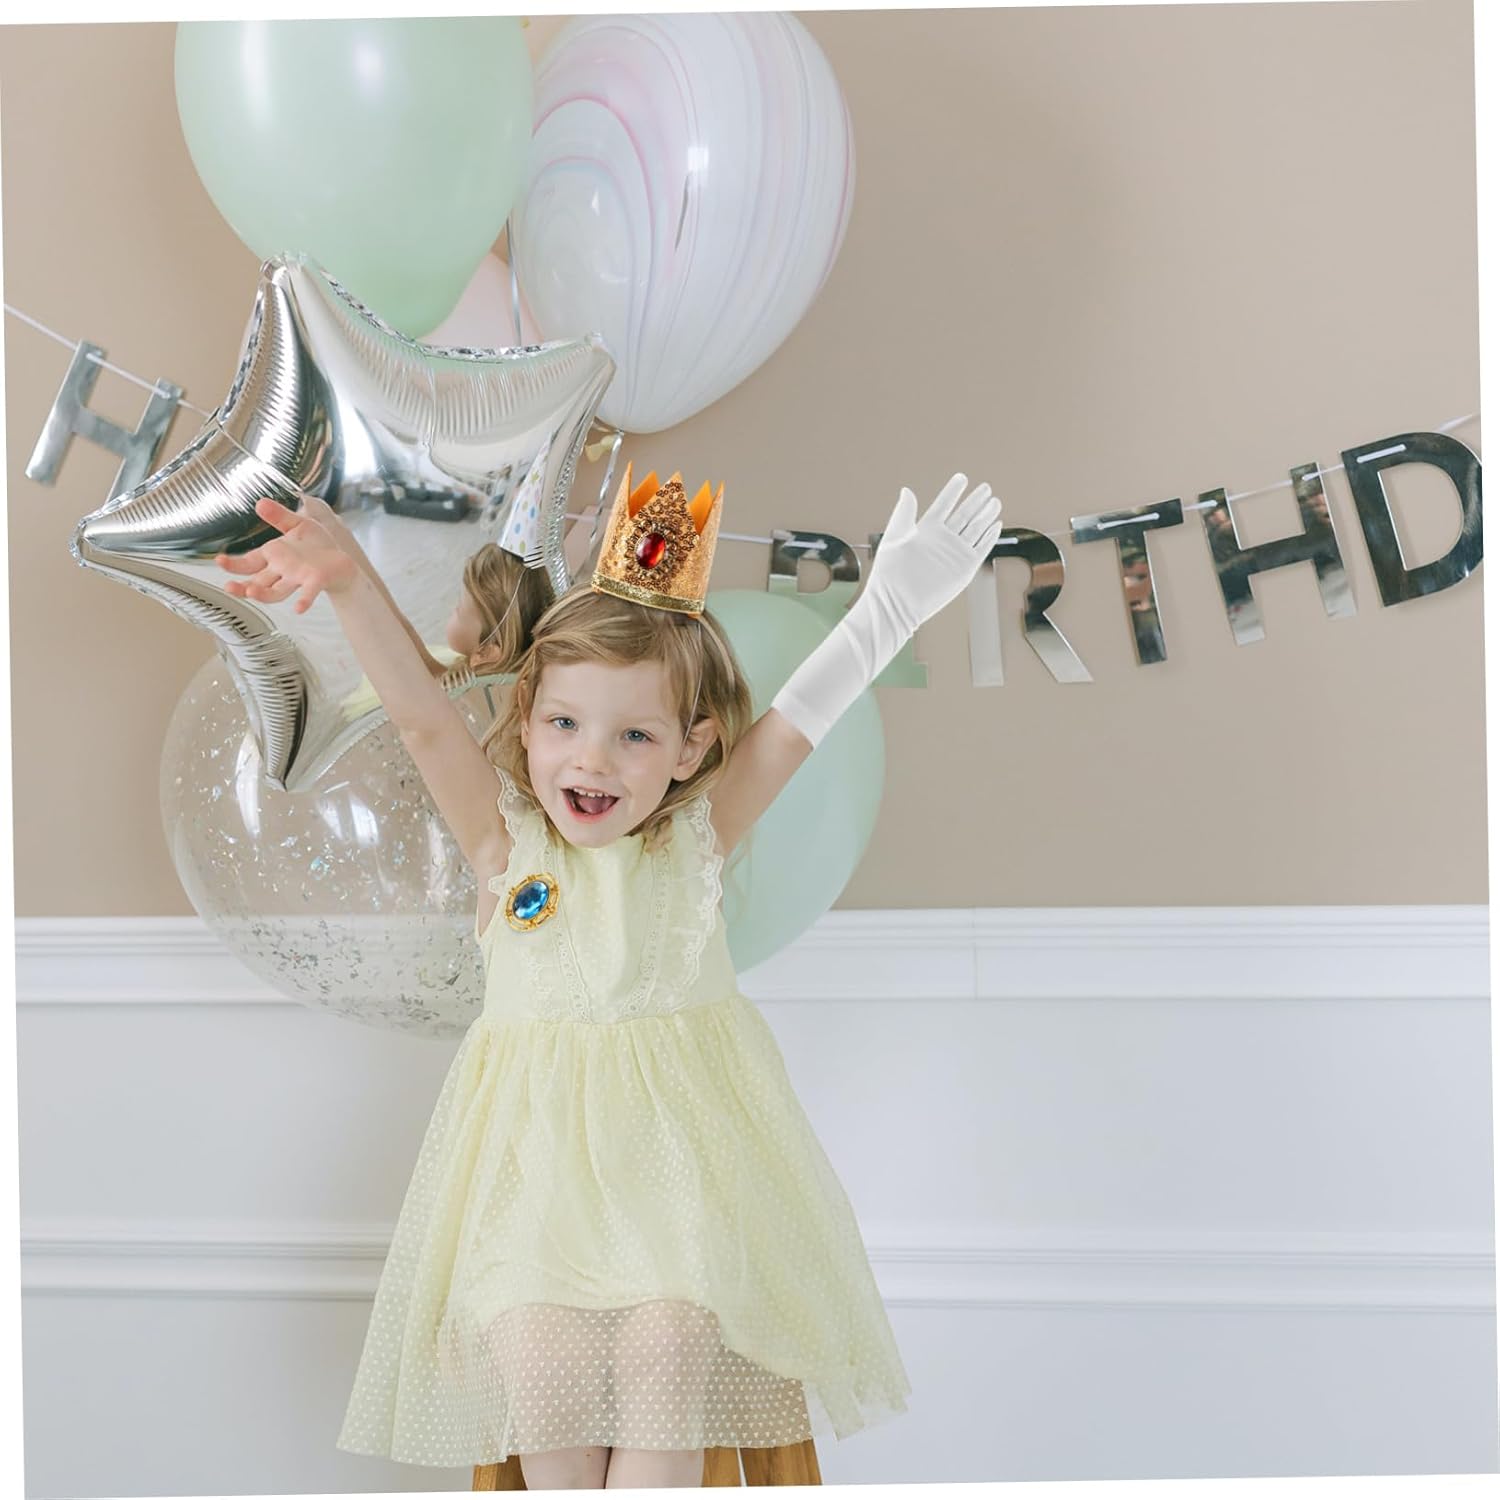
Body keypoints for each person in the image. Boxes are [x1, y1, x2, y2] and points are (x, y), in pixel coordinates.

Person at [213, 464, 1002, 1488]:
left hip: (676, 1208)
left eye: (635, 735)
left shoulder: (694, 842)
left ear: (690, 748)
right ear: (528, 720)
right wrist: (352, 582)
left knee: (670, 1346)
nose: (593, 761)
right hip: (533, 1212)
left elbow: (798, 724)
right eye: (566, 725)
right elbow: (421, 720)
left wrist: (888, 608)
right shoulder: (504, 848)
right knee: (540, 1373)